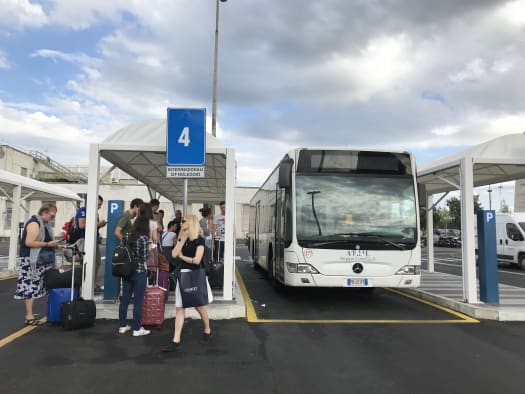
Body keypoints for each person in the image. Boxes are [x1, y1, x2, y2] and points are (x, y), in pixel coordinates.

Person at [163, 214, 212, 352]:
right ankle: (175, 340)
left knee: (199, 306)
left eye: (184, 221)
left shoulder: (199, 240)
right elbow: (173, 254)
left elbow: (197, 260)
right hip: (183, 276)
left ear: (191, 223)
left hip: (195, 275)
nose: (181, 223)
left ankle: (207, 329)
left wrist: (183, 257)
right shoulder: (182, 237)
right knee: (179, 307)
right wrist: (182, 239)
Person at [14, 205, 60, 326]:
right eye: (52, 215)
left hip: (41, 260)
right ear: (44, 212)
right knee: (30, 287)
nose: (52, 218)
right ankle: (29, 316)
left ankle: (34, 315)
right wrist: (48, 244)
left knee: (38, 286)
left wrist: (57, 246)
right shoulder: (34, 223)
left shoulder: (44, 225)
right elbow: (29, 242)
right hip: (31, 261)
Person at [118, 208, 151, 337]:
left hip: (126, 271)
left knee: (125, 299)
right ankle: (137, 329)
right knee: (138, 301)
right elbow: (144, 257)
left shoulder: (126, 236)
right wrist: (148, 248)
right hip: (139, 272)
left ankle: (122, 325)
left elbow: (123, 250)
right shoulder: (143, 238)